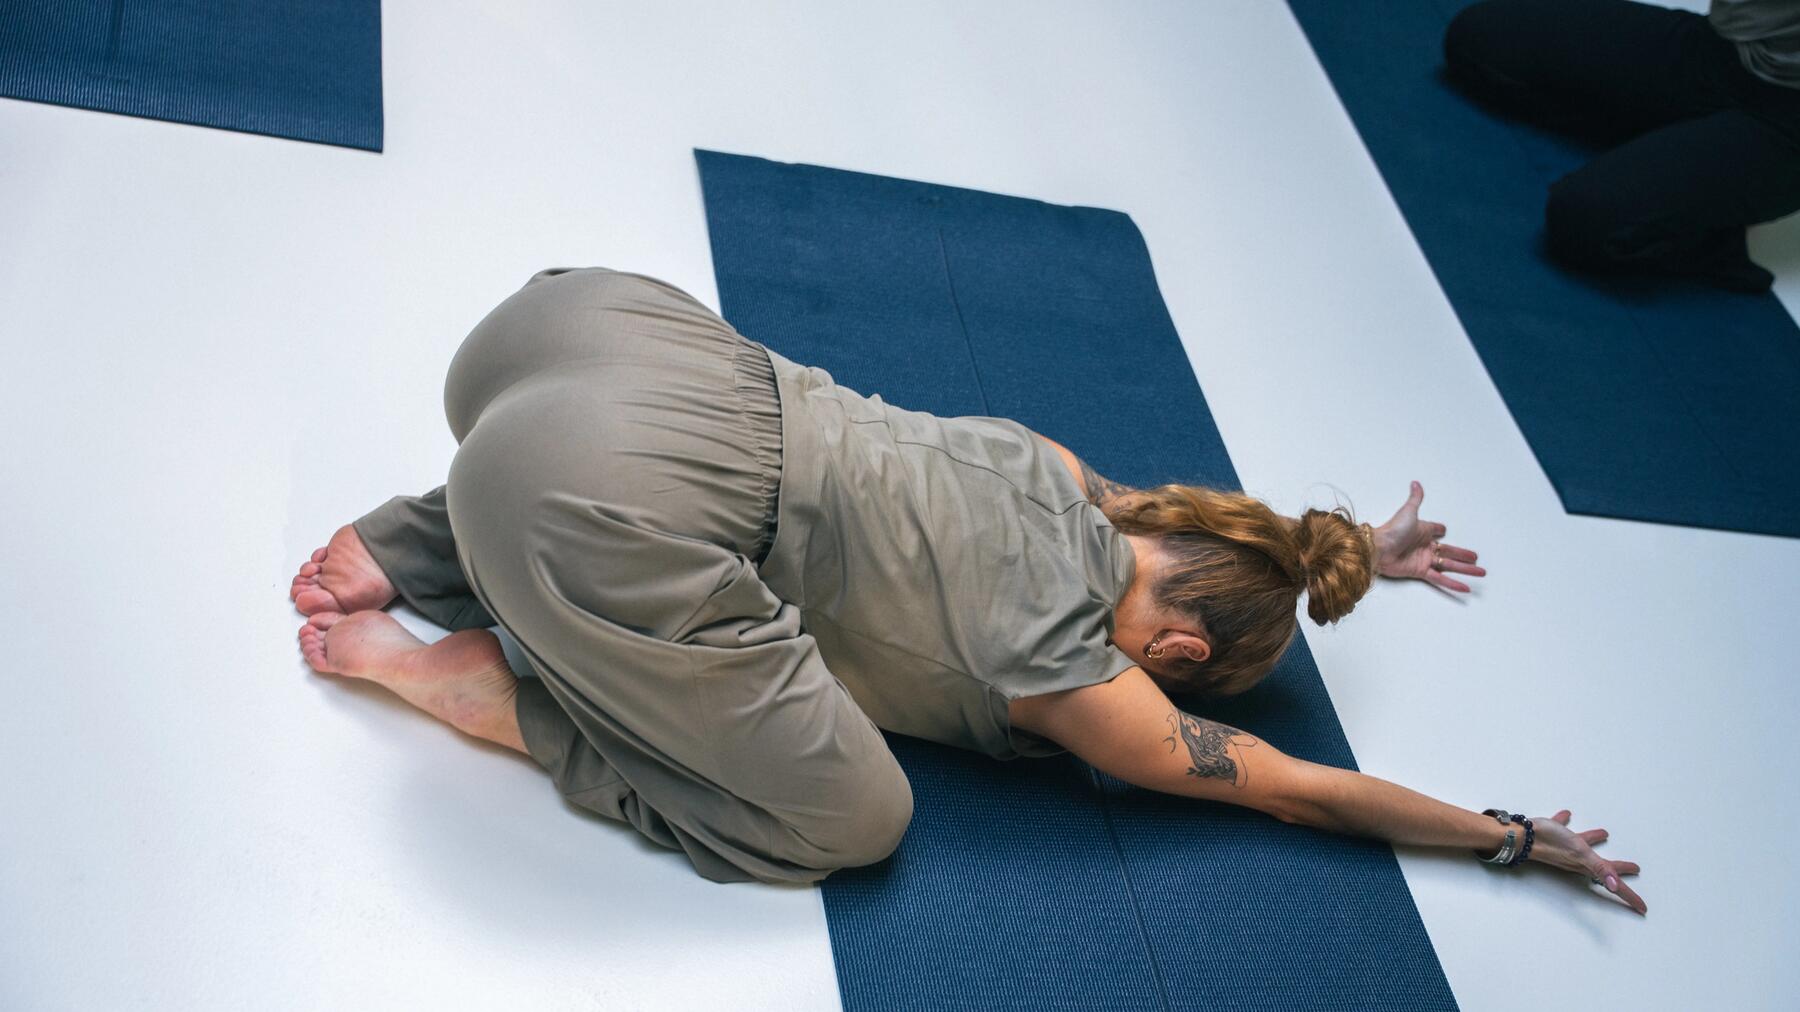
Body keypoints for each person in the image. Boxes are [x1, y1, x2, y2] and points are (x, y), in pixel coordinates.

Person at [288, 267, 1645, 914]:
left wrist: (1348, 549)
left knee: (736, 486)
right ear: (1174, 647)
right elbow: (1304, 789)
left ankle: (413, 541)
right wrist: (1506, 836)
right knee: (858, 820)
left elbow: (1212, 526)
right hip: (589, 495)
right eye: (1191, 673)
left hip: (578, 328)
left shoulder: (1059, 470)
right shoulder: (1094, 689)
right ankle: (482, 681)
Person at [1443, 0, 1800, 293]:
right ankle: (1673, 143)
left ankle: (1711, 232)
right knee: (1478, 38)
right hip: (1724, 51)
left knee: (1584, 221)